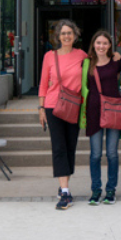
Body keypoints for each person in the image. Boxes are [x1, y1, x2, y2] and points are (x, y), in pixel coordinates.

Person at [38, 19, 87, 210]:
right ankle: (65, 191)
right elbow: (43, 84)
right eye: (63, 33)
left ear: (75, 35)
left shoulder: (82, 55)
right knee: (58, 147)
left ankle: (64, 184)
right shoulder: (50, 56)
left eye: (70, 33)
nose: (66, 36)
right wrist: (41, 109)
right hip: (53, 106)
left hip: (73, 106)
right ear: (58, 36)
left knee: (70, 146)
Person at [80, 30, 121, 205]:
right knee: (95, 154)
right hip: (93, 112)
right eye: (98, 43)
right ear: (93, 45)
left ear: (110, 46)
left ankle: (111, 190)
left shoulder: (117, 62)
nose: (101, 46)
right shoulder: (87, 64)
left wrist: (117, 56)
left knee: (112, 154)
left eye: (105, 43)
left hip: (113, 111)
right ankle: (96, 190)